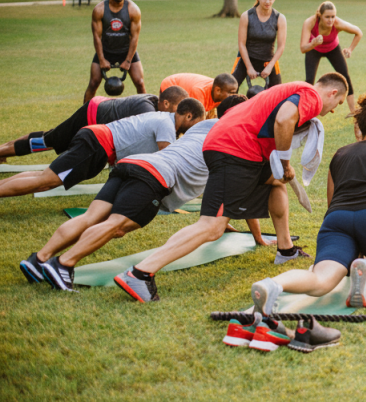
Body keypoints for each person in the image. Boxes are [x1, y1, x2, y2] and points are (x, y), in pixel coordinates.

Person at [113, 74, 348, 303]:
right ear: (332, 92)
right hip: (235, 151)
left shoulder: (295, 88)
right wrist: (285, 162)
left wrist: (281, 168)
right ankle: (141, 273)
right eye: (337, 103)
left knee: (276, 182)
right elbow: (284, 119)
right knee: (212, 226)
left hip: (235, 147)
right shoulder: (312, 96)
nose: (334, 109)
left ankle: (285, 249)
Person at [242, 93, 366, 352]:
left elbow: (332, 204)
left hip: (337, 221)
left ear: (359, 128)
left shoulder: (339, 155)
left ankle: (273, 285)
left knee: (321, 281)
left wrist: (350, 245)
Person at [21, 97, 241, 291]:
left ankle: (39, 259)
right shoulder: (234, 141)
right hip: (154, 175)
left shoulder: (201, 127)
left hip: (132, 162)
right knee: (116, 225)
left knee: (91, 217)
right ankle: (63, 264)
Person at [0, 99, 205, 199]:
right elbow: (166, 160)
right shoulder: (167, 126)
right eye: (197, 123)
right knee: (46, 181)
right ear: (188, 116)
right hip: (97, 143)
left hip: (97, 141)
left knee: (45, 179)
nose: (195, 129)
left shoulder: (164, 119)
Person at [0, 90, 186, 164]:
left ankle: (5, 150)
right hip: (92, 115)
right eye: (179, 109)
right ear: (167, 104)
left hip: (98, 111)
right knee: (51, 141)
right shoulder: (148, 111)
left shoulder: (155, 103)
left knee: (52, 137)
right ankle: (4, 151)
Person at [85, 0, 145, 103]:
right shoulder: (99, 10)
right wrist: (101, 59)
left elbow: (135, 37)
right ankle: (82, 117)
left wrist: (128, 61)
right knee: (93, 83)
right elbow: (97, 37)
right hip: (106, 50)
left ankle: (148, 114)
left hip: (126, 51)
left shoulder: (133, 10)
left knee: (140, 83)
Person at [301, 1, 362, 113]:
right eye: (327, 17)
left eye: (333, 16)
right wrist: (313, 44)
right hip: (313, 49)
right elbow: (303, 48)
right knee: (309, 81)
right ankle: (307, 111)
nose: (330, 20)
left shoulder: (337, 23)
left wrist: (350, 49)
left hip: (332, 49)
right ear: (320, 16)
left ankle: (353, 112)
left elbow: (359, 32)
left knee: (346, 77)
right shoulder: (310, 22)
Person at [233, 0, 286, 90]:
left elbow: (281, 47)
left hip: (268, 61)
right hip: (246, 58)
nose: (267, 1)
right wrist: (249, 67)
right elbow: (241, 44)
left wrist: (270, 67)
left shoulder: (279, 18)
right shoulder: (246, 16)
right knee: (230, 87)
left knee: (278, 93)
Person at [159, 73, 238, 118]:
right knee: (176, 118)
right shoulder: (199, 93)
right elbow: (197, 122)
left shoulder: (221, 92)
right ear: (217, 90)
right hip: (171, 85)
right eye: (231, 93)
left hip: (189, 87)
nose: (233, 96)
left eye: (235, 92)